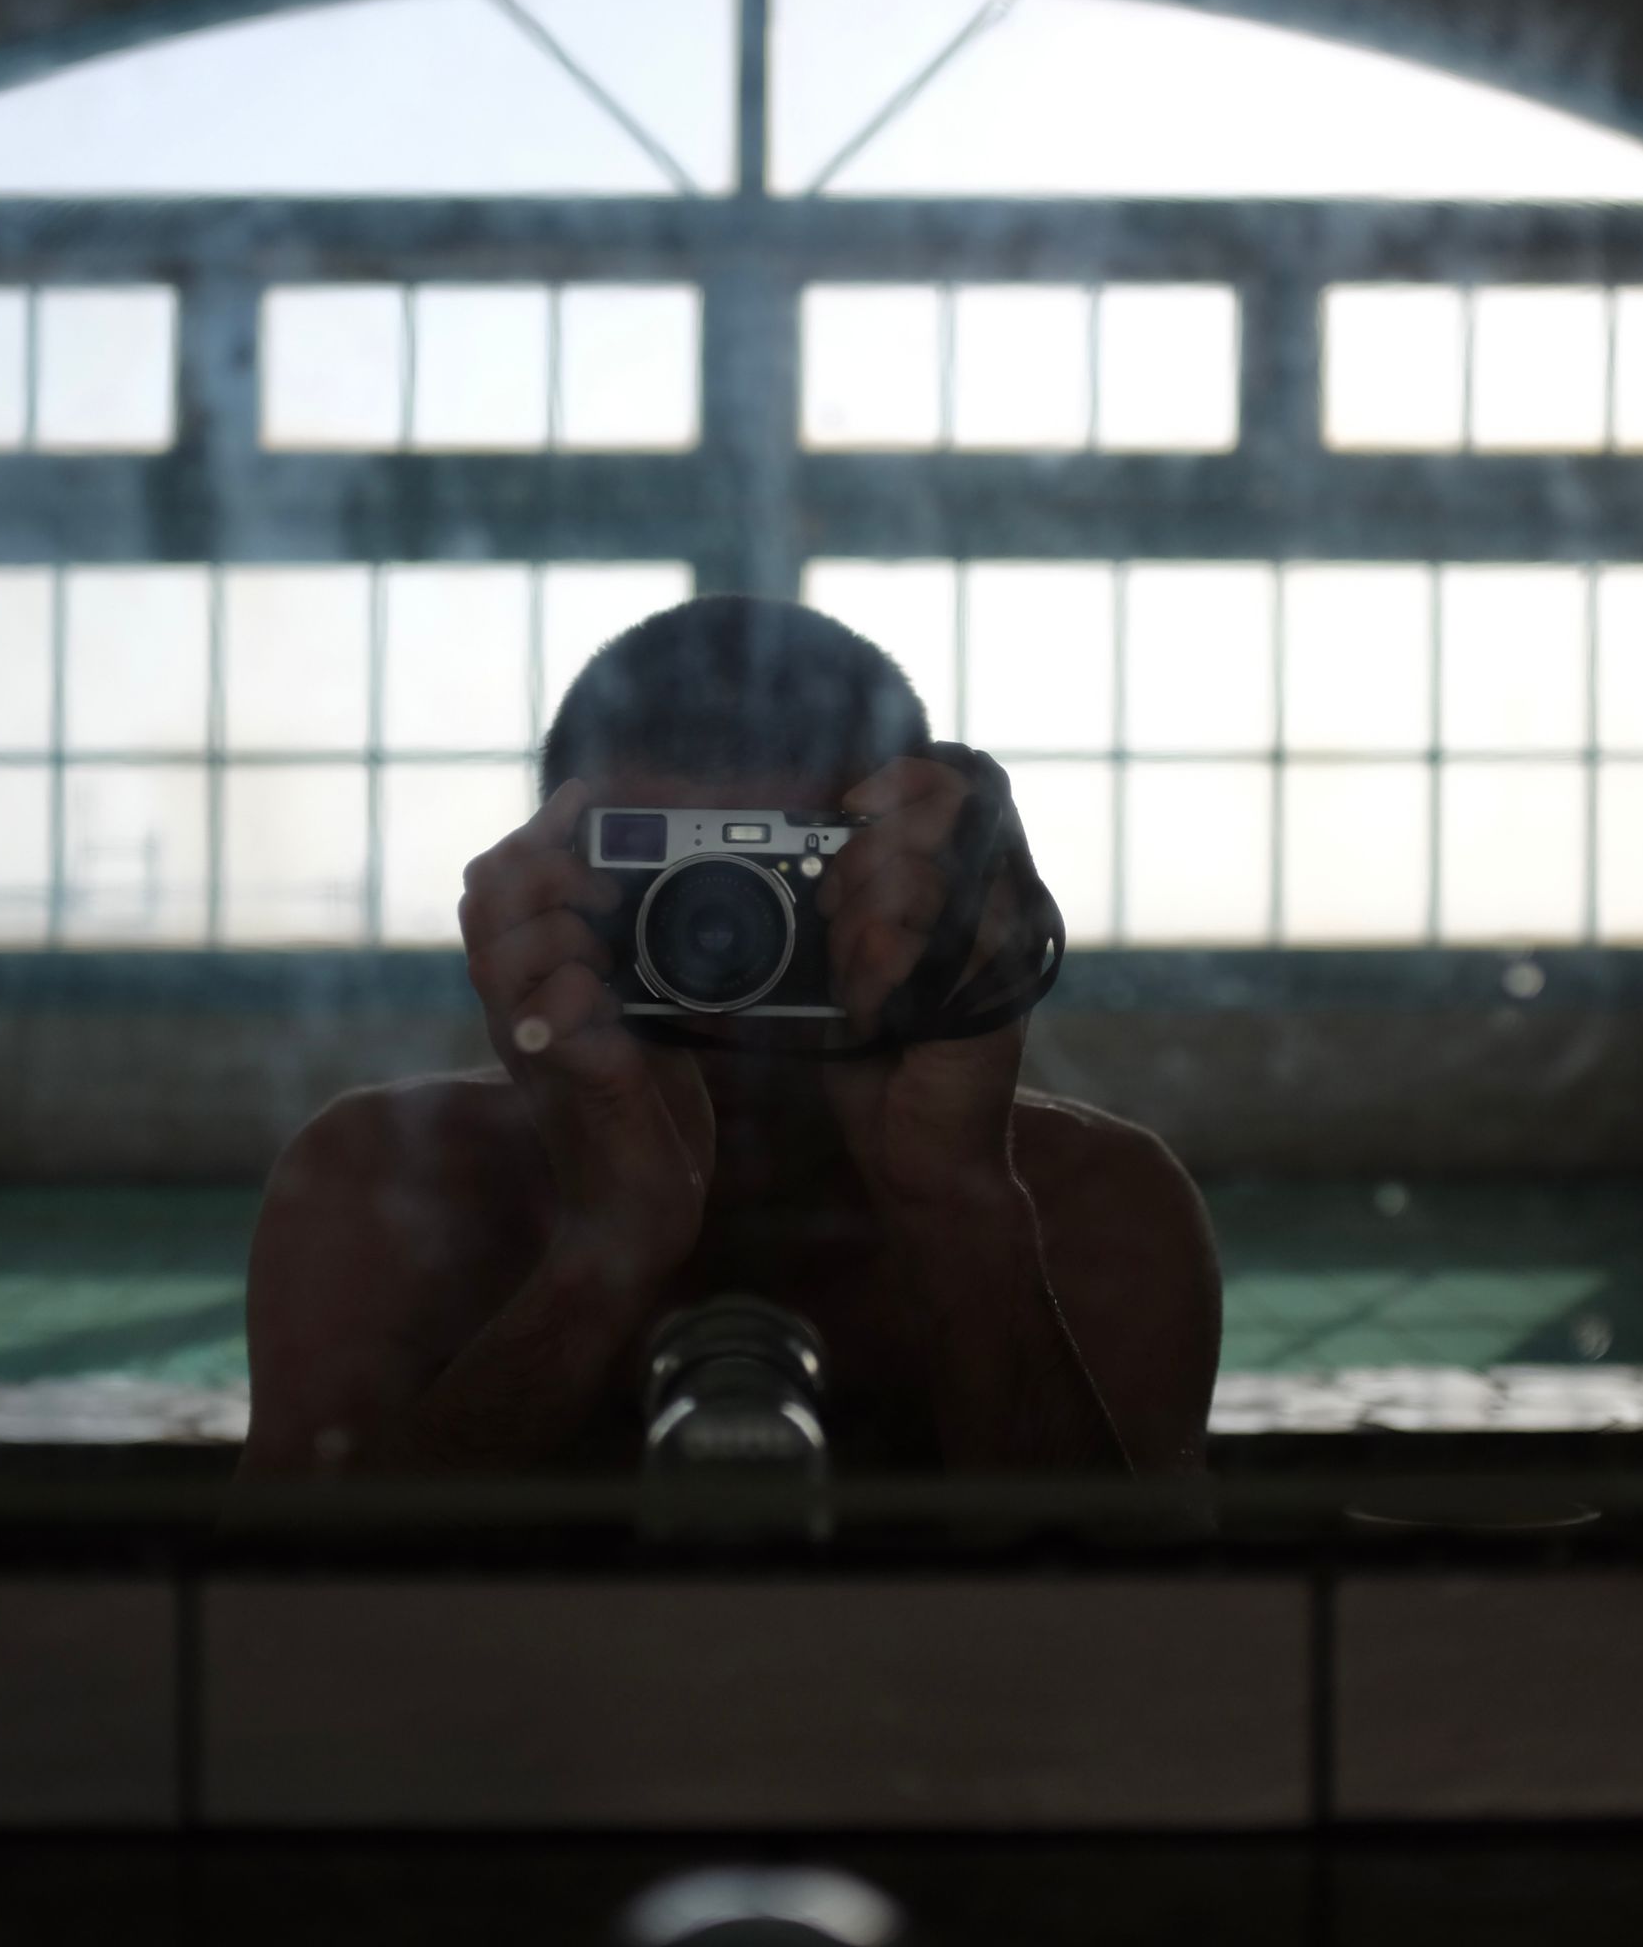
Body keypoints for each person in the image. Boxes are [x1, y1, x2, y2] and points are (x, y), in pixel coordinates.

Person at [239, 595, 1220, 1477]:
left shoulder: (1100, 1205)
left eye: (793, 887)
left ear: (929, 891)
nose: (728, 971)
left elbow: (1151, 1641)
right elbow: (261, 1636)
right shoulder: (380, 1184)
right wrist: (605, 1247)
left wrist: (959, 1206)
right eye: (665, 890)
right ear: (543, 887)